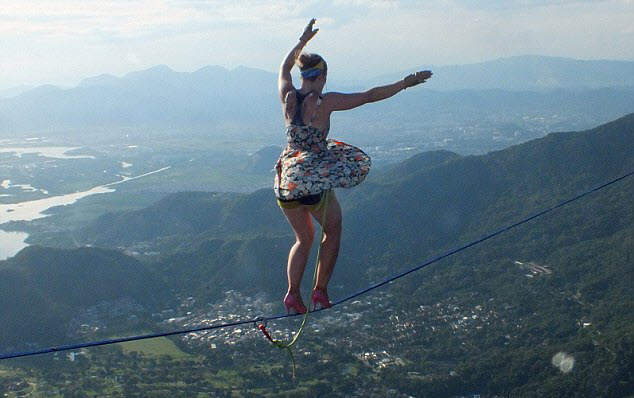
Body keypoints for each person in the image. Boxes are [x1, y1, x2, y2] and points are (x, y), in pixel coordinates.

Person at [274, 18, 432, 314]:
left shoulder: (287, 96)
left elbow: (283, 69)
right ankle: (319, 291)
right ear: (321, 77)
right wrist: (405, 83)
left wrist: (301, 42)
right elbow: (369, 96)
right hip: (312, 180)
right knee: (332, 230)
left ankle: (293, 294)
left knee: (303, 238)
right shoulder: (325, 101)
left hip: (286, 180)